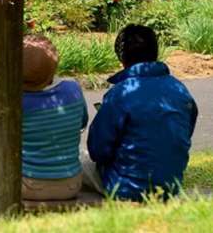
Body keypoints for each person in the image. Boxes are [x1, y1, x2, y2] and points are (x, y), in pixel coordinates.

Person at [83, 24, 198, 201]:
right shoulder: (179, 89)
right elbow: (184, 133)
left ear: (122, 58)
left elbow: (98, 150)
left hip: (124, 188)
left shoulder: (121, 93)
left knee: (76, 163)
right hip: (171, 185)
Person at [21, 35, 88, 201]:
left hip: (27, 186)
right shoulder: (72, 90)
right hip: (71, 185)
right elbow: (83, 122)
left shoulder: (16, 101)